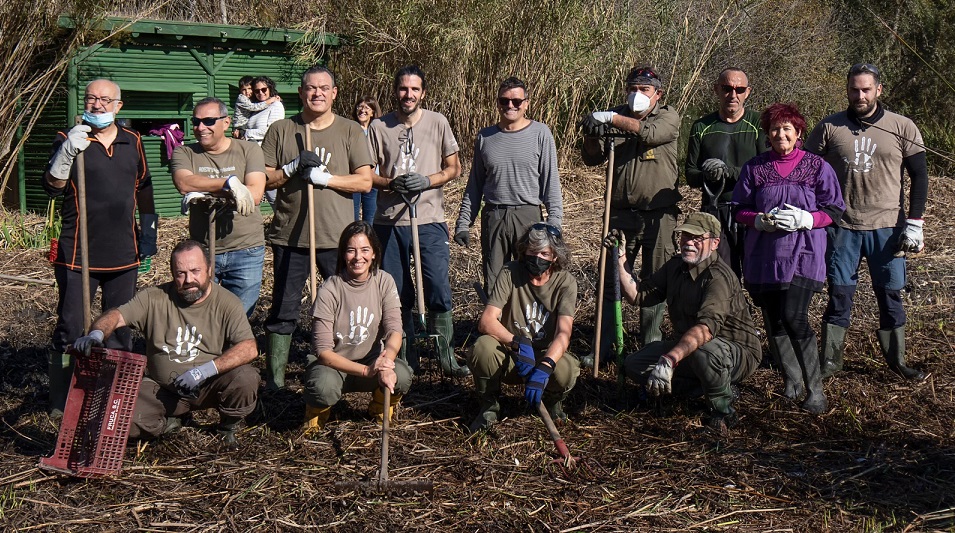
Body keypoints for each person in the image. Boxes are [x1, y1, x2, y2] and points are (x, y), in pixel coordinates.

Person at [71, 240, 259, 448]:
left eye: (195, 271)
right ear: (172, 273)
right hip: (162, 389)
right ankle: (168, 422)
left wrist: (204, 371)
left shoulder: (227, 302)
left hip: (208, 386)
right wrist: (97, 334)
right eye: (181, 273)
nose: (189, 280)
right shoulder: (154, 298)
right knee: (122, 419)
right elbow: (115, 315)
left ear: (209, 269)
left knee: (246, 377)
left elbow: (249, 347)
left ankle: (227, 427)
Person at [805, 63, 928, 381]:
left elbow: (920, 175)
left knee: (890, 293)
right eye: (854, 89)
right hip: (842, 227)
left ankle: (897, 361)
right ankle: (831, 362)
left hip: (887, 227)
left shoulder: (902, 127)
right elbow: (807, 170)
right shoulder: (829, 128)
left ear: (879, 90)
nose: (860, 95)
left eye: (866, 89)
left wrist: (915, 221)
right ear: (847, 90)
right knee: (839, 294)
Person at [43, 78, 157, 416]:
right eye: (91, 99)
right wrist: (64, 156)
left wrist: (149, 229)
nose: (97, 105)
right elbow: (52, 187)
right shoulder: (69, 138)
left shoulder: (132, 140)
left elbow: (144, 187)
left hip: (124, 252)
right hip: (78, 252)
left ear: (118, 106)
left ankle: (113, 398)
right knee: (72, 325)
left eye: (106, 100)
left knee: (119, 326)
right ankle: (62, 404)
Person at [260, 66, 375, 391]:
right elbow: (264, 178)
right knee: (283, 308)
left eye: (324, 88)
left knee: (349, 306)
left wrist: (326, 178)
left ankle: (346, 369)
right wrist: (292, 167)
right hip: (290, 235)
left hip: (338, 239)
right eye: (311, 88)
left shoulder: (350, 130)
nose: (317, 93)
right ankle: (276, 382)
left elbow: (364, 181)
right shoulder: (282, 130)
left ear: (334, 93)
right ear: (301, 92)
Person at [732, 103, 845, 414]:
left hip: (804, 252)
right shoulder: (755, 168)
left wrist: (807, 220)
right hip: (764, 255)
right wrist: (756, 219)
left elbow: (834, 209)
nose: (780, 134)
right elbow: (739, 207)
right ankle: (792, 382)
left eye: (786, 129)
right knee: (774, 318)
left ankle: (816, 391)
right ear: (767, 134)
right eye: (774, 129)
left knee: (794, 316)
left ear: (798, 133)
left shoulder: (817, 167)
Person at [367, 65, 470, 378]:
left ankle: (446, 356)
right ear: (395, 91)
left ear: (423, 93)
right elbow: (366, 173)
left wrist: (426, 180)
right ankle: (407, 357)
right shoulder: (378, 126)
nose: (407, 95)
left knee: (437, 285)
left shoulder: (437, 123)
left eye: (414, 89)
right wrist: (389, 183)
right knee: (397, 292)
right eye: (402, 89)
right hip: (388, 222)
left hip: (429, 219)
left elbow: (454, 168)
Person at [617, 212, 761, 431]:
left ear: (714, 243)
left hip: (735, 353)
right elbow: (638, 295)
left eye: (697, 238)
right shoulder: (675, 267)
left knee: (704, 351)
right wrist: (620, 260)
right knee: (634, 365)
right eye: (685, 237)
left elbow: (705, 330)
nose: (689, 243)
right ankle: (700, 387)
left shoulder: (719, 278)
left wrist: (670, 360)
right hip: (690, 348)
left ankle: (723, 408)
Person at [579, 65, 681, 366]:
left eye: (644, 89)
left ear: (657, 93)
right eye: (632, 88)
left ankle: (650, 344)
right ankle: (604, 344)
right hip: (620, 214)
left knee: (655, 279)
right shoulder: (613, 115)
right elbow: (592, 158)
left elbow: (649, 134)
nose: (637, 94)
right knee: (611, 277)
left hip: (659, 216)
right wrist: (592, 133)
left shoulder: (667, 117)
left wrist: (611, 119)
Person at [454, 76, 563, 293]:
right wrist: (463, 223)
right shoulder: (485, 137)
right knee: (495, 282)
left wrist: (554, 224)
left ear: (526, 104)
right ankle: (495, 326)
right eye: (504, 101)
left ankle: (528, 325)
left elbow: (551, 183)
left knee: (532, 277)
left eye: (516, 101)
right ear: (497, 102)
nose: (510, 106)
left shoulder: (541, 134)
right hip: (494, 217)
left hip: (529, 217)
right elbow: (474, 185)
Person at [467, 223, 578, 432]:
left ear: (555, 256)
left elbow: (564, 334)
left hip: (543, 355)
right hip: (512, 355)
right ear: (524, 251)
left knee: (567, 369)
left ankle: (553, 403)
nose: (538, 258)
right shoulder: (510, 272)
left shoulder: (566, 282)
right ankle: (489, 406)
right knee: (483, 348)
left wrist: (546, 365)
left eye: (544, 253)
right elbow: (487, 321)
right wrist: (517, 342)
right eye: (533, 252)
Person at [302, 221, 412, 429]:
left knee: (402, 376)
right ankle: (317, 413)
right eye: (351, 250)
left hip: (373, 361)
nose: (358, 257)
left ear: (374, 254)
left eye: (364, 250)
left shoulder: (384, 281)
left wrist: (386, 363)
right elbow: (323, 351)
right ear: (343, 254)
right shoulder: (331, 288)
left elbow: (394, 329)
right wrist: (365, 371)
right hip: (335, 366)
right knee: (323, 387)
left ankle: (380, 406)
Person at [171, 97, 266, 318]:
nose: (200, 127)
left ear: (226, 122)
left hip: (246, 249)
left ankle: (231, 353)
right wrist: (229, 184)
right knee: (202, 315)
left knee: (238, 317)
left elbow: (254, 194)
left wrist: (205, 188)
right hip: (202, 252)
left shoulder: (248, 150)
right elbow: (184, 182)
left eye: (209, 121)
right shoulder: (185, 153)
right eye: (196, 122)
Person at [685, 67, 766, 278]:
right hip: (715, 211)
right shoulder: (701, 126)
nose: (733, 95)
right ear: (716, 90)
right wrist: (707, 175)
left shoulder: (759, 124)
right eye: (727, 88)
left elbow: (766, 171)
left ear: (747, 92)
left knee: (757, 277)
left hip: (751, 211)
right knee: (721, 276)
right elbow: (690, 174)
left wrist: (727, 172)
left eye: (739, 89)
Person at [352, 96, 382, 223]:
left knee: (370, 219)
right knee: (352, 216)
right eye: (359, 107)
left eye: (366, 108)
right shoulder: (351, 129)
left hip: (373, 180)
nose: (362, 110)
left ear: (373, 112)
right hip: (354, 178)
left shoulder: (377, 131)